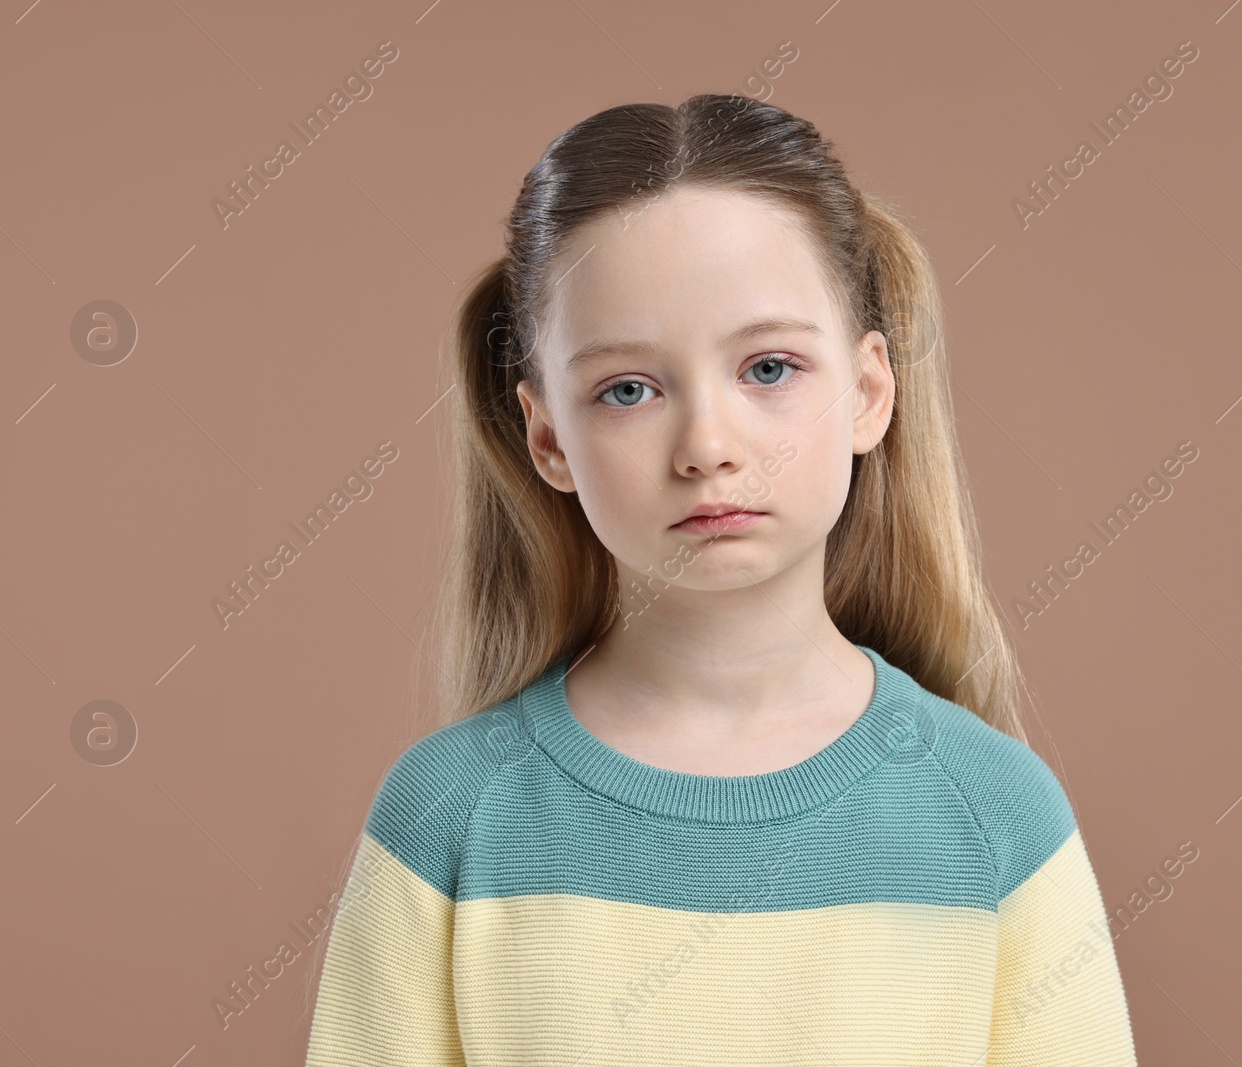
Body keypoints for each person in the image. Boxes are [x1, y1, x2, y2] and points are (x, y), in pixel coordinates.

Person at [303, 92, 1137, 1066]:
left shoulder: (996, 813)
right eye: (627, 389)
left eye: (769, 367)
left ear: (869, 393)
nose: (706, 445)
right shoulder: (447, 817)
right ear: (546, 437)